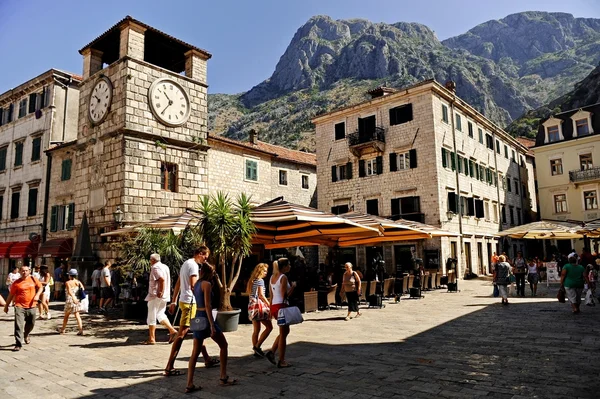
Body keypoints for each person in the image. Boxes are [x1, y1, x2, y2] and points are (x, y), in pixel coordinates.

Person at [164, 247, 217, 376]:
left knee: (199, 331)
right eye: (205, 256)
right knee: (182, 334)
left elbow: (178, 283)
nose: (206, 259)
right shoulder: (193, 266)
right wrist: (203, 302)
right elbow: (195, 286)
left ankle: (207, 359)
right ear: (200, 254)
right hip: (190, 302)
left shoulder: (186, 264)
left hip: (184, 301)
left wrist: (174, 301)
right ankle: (169, 366)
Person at [185, 263, 237, 393]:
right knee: (223, 345)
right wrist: (212, 324)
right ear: (211, 272)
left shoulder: (196, 284)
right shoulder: (206, 285)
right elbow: (208, 305)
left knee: (195, 353)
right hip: (206, 317)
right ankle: (223, 376)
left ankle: (189, 383)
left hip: (198, 316)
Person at [3, 265, 43, 351]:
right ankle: (18, 344)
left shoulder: (33, 279)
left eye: (26, 270)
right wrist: (6, 306)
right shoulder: (16, 283)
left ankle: (26, 334)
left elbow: (40, 287)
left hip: (32, 305)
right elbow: (11, 295)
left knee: (31, 323)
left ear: (29, 271)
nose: (24, 272)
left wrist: (37, 295)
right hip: (19, 306)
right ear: (20, 272)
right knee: (18, 325)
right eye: (22, 271)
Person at [264, 258, 295, 368]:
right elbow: (284, 295)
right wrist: (293, 287)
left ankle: (272, 352)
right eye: (289, 265)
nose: (290, 267)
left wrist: (270, 309)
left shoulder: (272, 277)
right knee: (283, 333)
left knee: (284, 331)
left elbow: (271, 295)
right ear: (284, 266)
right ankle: (281, 360)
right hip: (282, 306)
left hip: (274, 306)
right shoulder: (283, 277)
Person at [143, 254, 177, 345]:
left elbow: (161, 279)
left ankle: (152, 338)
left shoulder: (155, 267)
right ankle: (172, 331)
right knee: (160, 314)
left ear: (152, 260)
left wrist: (160, 291)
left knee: (151, 316)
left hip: (156, 295)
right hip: (164, 295)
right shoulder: (165, 266)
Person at [246, 263, 272, 357]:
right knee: (269, 327)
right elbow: (261, 295)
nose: (266, 273)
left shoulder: (251, 281)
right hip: (259, 307)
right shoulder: (260, 281)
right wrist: (269, 304)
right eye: (264, 271)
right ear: (260, 271)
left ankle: (256, 350)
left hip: (252, 306)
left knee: (256, 330)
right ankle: (257, 346)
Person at [59, 269, 85, 335]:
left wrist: (73, 297)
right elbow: (83, 289)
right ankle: (80, 330)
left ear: (70, 275)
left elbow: (70, 291)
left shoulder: (68, 282)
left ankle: (63, 329)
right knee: (77, 315)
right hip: (77, 299)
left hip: (70, 300)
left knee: (66, 316)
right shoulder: (78, 282)